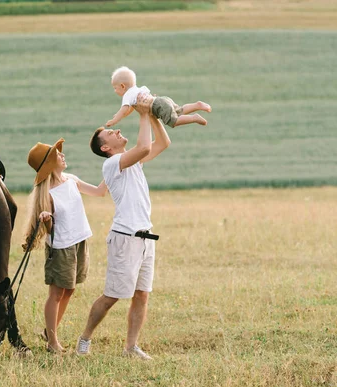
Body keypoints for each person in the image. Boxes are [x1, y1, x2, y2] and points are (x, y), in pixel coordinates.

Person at [76, 93, 169, 360]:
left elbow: (163, 142)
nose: (117, 131)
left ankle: (131, 347)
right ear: (106, 147)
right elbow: (143, 148)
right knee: (112, 296)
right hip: (124, 238)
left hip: (145, 238)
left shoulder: (132, 160)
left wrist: (151, 113)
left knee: (142, 295)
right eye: (111, 133)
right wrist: (141, 114)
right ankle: (85, 338)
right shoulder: (112, 163)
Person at [23, 138, 107, 354]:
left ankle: (49, 332)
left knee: (69, 289)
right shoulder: (48, 193)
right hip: (61, 247)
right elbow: (50, 229)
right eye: (57, 155)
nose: (63, 155)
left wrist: (115, 164)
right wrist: (46, 218)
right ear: (50, 164)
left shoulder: (71, 180)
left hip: (79, 241)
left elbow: (99, 192)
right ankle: (52, 342)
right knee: (56, 294)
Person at [106, 66, 211, 129]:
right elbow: (130, 110)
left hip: (157, 106)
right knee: (179, 110)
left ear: (122, 86)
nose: (115, 91)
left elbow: (124, 109)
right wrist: (122, 116)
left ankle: (194, 118)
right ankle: (198, 105)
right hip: (162, 100)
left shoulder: (128, 95)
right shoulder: (137, 90)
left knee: (173, 121)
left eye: (115, 88)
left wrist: (114, 120)